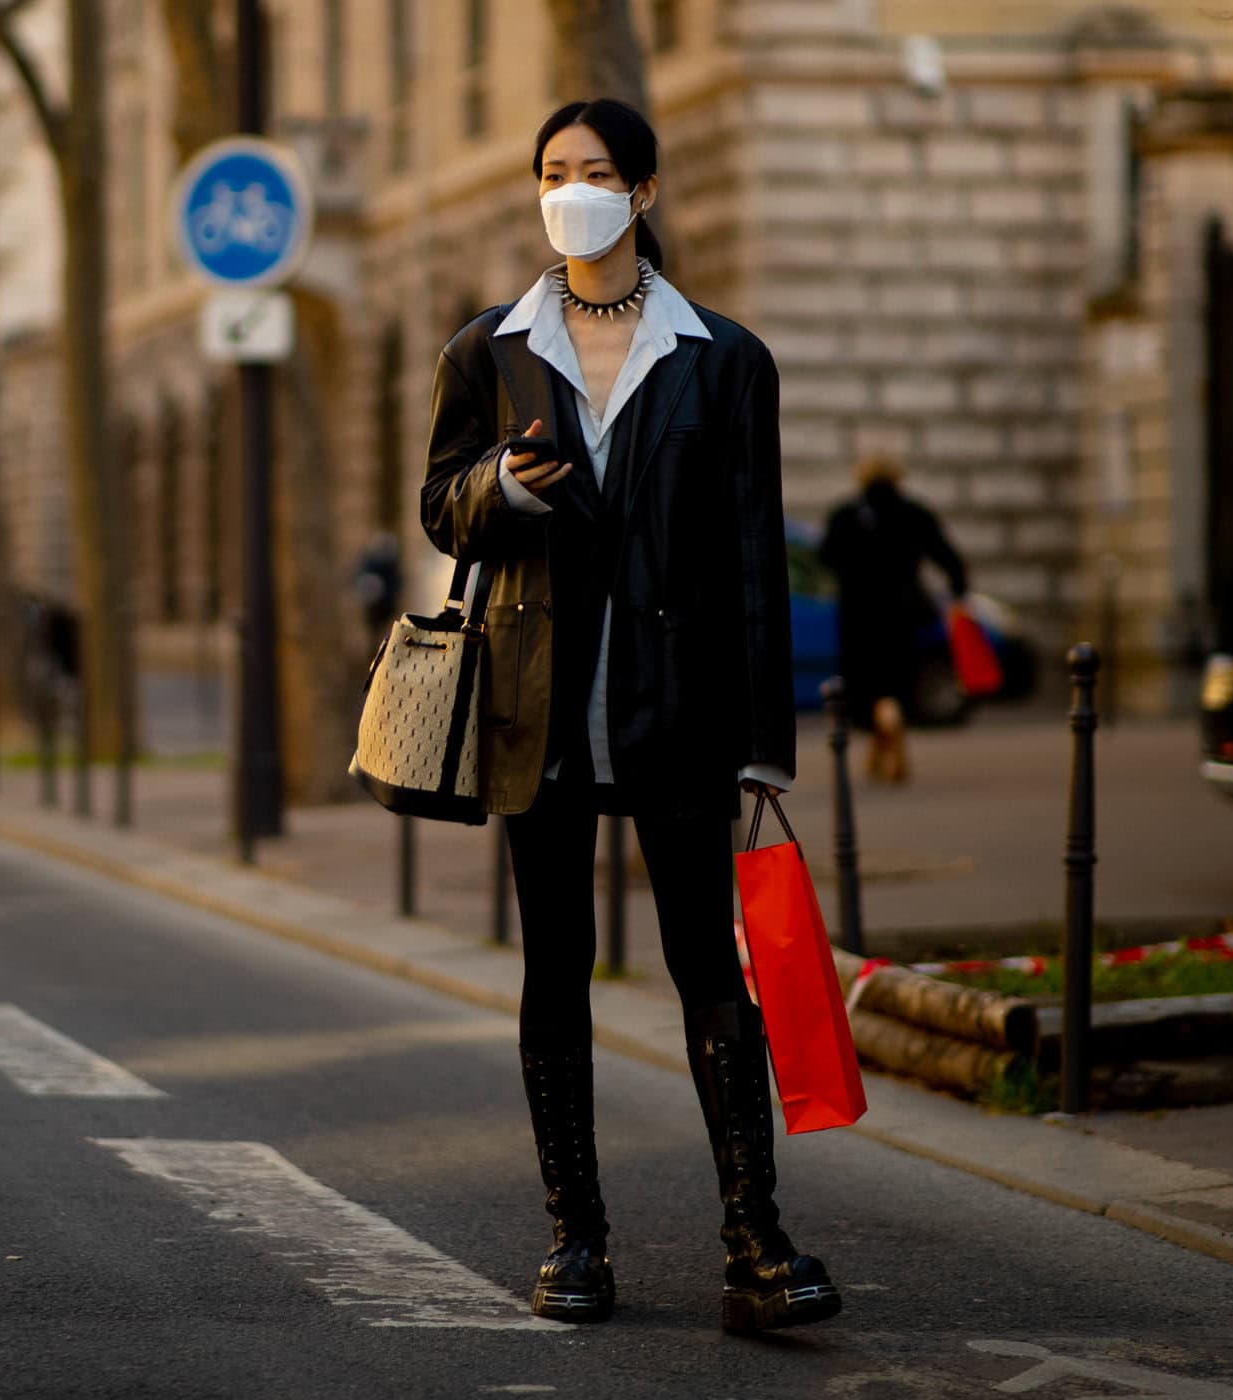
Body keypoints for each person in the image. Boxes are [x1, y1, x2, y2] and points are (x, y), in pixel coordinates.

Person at [420, 98, 835, 1333]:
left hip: (681, 708)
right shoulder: (487, 349)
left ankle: (755, 1240)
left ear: (645, 193)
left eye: (598, 173)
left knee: (707, 964)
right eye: (555, 172)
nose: (575, 191)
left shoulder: (725, 356)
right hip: (534, 703)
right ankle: (575, 1239)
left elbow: (756, 554)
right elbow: (443, 505)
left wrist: (767, 739)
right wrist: (504, 486)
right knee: (554, 966)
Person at [817, 457, 968, 784]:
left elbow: (825, 557)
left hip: (858, 614)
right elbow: (947, 556)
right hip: (902, 613)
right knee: (895, 680)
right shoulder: (914, 512)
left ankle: (880, 735)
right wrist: (958, 593)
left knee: (866, 684)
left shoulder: (846, 514)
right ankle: (890, 727)